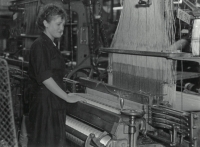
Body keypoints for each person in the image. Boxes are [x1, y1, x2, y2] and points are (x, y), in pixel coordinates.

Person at [28, 3, 84, 147]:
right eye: (58, 24)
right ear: (45, 23)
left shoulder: (51, 45)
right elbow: (46, 78)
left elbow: (54, 76)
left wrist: (66, 94)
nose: (62, 28)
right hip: (45, 108)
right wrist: (66, 97)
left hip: (53, 104)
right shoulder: (40, 45)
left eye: (63, 25)